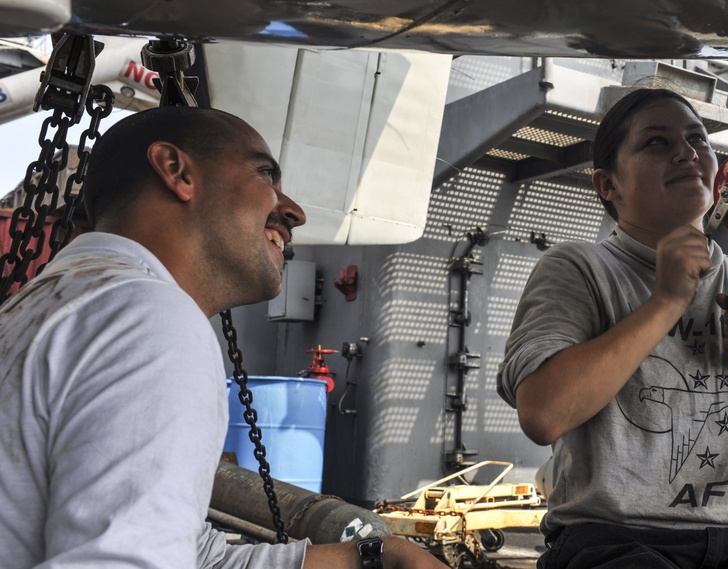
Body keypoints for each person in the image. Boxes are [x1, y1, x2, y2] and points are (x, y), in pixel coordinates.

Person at [0, 106, 444, 569]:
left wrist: (372, 558)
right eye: (265, 173)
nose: (294, 211)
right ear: (176, 171)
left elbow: (193, 558)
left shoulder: (55, 304)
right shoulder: (146, 319)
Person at [497, 89, 728, 568]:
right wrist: (665, 301)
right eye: (656, 143)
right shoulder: (578, 269)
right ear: (608, 185)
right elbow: (543, 413)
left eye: (698, 140)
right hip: (616, 539)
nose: (687, 153)